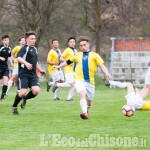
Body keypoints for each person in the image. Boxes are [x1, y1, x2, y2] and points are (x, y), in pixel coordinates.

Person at [52, 36, 111, 119]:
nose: (83, 47)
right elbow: (67, 62)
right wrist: (58, 67)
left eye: (84, 45)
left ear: (88, 45)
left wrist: (107, 73)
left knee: (89, 102)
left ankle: (87, 108)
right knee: (82, 95)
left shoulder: (94, 55)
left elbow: (102, 65)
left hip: (90, 82)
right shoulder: (78, 55)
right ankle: (85, 113)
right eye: (81, 45)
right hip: (79, 79)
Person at [12, 31, 46, 115]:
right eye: (31, 39)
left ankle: (25, 99)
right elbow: (18, 58)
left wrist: (41, 70)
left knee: (36, 91)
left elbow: (35, 62)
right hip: (23, 74)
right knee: (22, 92)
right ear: (27, 39)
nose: (33, 40)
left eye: (34, 39)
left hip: (33, 74)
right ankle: (14, 106)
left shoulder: (35, 49)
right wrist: (25, 63)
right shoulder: (24, 48)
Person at [47, 36, 77, 101]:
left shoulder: (75, 51)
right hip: (68, 71)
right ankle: (55, 84)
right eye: (71, 42)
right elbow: (61, 58)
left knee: (74, 84)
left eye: (73, 42)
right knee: (70, 84)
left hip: (74, 71)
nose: (72, 43)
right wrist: (68, 62)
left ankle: (69, 98)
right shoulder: (67, 50)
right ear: (68, 43)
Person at [0, 35, 13, 101]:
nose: (6, 41)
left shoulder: (10, 48)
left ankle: (2, 98)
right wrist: (0, 57)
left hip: (5, 67)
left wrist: (11, 62)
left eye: (7, 40)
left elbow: (9, 56)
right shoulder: (0, 47)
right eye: (5, 40)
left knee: (6, 82)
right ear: (2, 41)